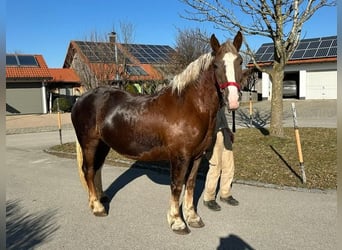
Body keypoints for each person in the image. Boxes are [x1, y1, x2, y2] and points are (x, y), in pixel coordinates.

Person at [203, 106, 239, 211]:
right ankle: (209, 198)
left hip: (223, 132)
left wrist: (227, 130)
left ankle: (225, 194)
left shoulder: (220, 98)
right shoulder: (207, 97)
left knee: (229, 166)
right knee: (215, 167)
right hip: (213, 135)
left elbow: (222, 116)